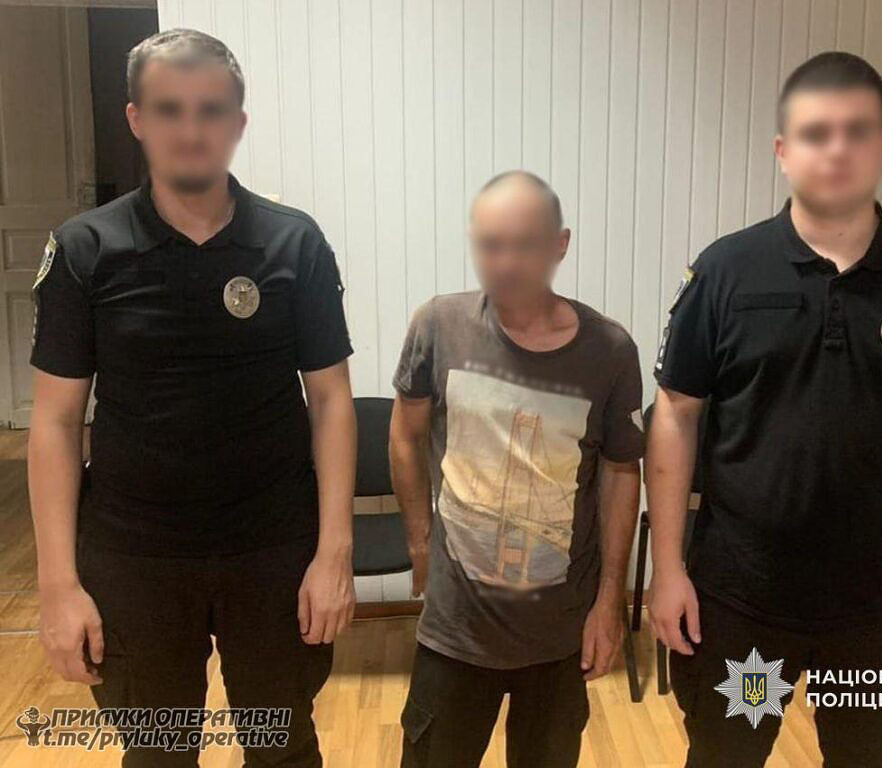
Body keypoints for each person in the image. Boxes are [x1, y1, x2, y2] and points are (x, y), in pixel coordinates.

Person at [646, 51, 882, 767]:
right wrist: (666, 568)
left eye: (857, 131)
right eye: (816, 133)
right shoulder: (725, 272)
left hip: (881, 611)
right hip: (745, 607)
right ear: (784, 151)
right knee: (727, 757)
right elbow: (676, 412)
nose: (837, 149)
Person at [28, 29, 357, 767]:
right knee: (159, 755)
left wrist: (334, 553)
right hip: (135, 556)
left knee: (282, 749)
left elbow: (332, 398)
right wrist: (58, 585)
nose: (191, 129)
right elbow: (53, 421)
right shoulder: (84, 249)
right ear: (136, 118)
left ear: (238, 123)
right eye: (169, 109)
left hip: (273, 550)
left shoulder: (293, 242)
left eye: (211, 110)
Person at [390, 170, 645, 768]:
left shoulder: (609, 350)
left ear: (560, 244)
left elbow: (620, 472)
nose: (505, 263)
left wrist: (610, 599)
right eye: (490, 245)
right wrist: (420, 541)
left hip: (558, 631)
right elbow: (405, 434)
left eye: (524, 245)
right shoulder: (438, 325)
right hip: (455, 630)